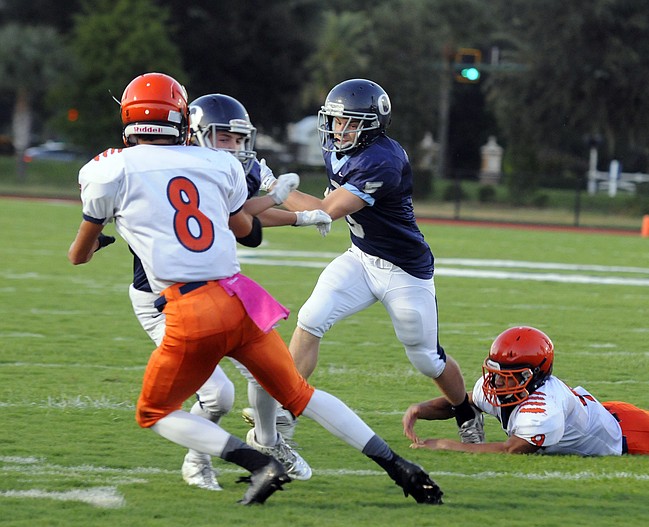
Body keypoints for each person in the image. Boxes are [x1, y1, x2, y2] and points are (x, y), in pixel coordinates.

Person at [67, 72, 443, 505]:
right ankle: (401, 467)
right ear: (185, 121)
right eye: (223, 136)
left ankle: (258, 460)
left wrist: (98, 236)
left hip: (188, 306)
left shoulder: (107, 168)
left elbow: (79, 254)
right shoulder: (218, 164)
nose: (231, 145)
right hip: (239, 297)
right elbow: (245, 228)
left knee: (155, 411)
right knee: (296, 393)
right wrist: (285, 203)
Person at [125, 93, 328, 490]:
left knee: (267, 367)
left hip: (214, 292)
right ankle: (196, 460)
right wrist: (291, 211)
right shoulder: (169, 168)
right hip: (164, 301)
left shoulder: (225, 169)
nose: (234, 148)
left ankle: (268, 441)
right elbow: (236, 220)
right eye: (224, 139)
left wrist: (298, 215)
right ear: (195, 135)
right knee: (219, 395)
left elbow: (242, 217)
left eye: (239, 139)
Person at [273, 78, 483, 443]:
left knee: (426, 359)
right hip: (361, 258)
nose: (339, 129)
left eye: (350, 122)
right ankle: (283, 409)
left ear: (371, 125)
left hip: (404, 271)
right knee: (311, 319)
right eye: (336, 121)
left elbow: (324, 212)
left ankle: (466, 411)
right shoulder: (339, 149)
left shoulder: (382, 159)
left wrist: (270, 185)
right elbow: (332, 197)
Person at [403, 326, 649, 459]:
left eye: (510, 375)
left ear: (534, 374)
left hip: (626, 435)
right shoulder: (501, 386)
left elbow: (510, 449)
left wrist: (448, 445)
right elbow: (463, 403)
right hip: (613, 417)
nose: (498, 383)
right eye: (496, 374)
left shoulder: (541, 407)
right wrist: (422, 409)